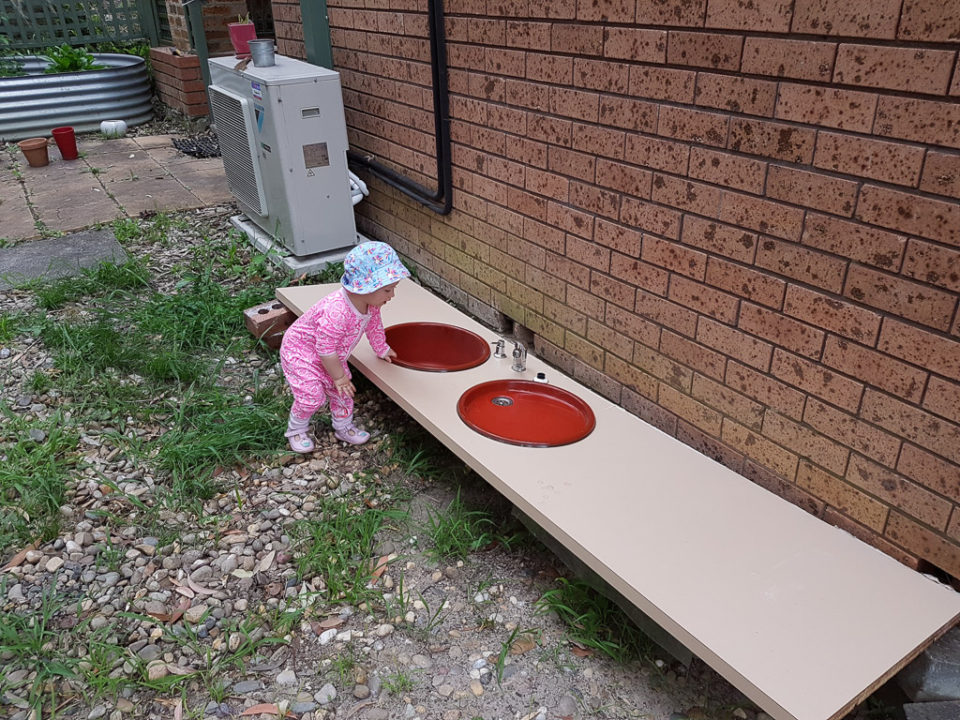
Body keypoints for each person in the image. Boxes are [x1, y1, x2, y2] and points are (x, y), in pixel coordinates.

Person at [280, 241, 410, 451]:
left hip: (332, 356)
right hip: (302, 351)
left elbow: (374, 327)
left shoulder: (371, 304)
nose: (391, 296)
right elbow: (324, 349)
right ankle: (296, 430)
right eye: (387, 290)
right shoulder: (337, 312)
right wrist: (338, 376)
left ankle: (343, 427)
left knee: (344, 391)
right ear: (366, 287)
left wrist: (382, 348)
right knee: (312, 396)